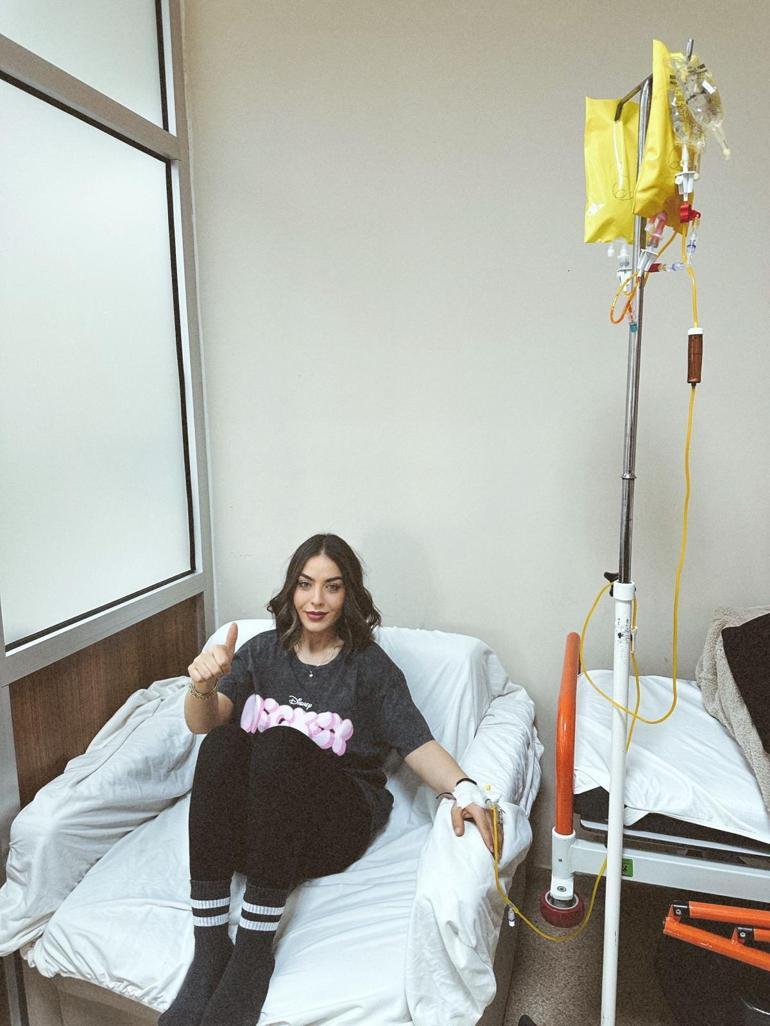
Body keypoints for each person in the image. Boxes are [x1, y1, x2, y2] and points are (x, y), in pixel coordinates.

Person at [159, 533, 502, 1026]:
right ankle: (210, 946)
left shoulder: (369, 668)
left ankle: (252, 952)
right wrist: (202, 687)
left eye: (332, 586)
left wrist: (465, 790)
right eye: (305, 584)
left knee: (280, 743)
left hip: (331, 827)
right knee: (223, 741)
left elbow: (417, 743)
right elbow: (203, 723)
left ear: (349, 595)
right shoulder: (261, 653)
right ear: (291, 590)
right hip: (258, 836)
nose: (316, 599)